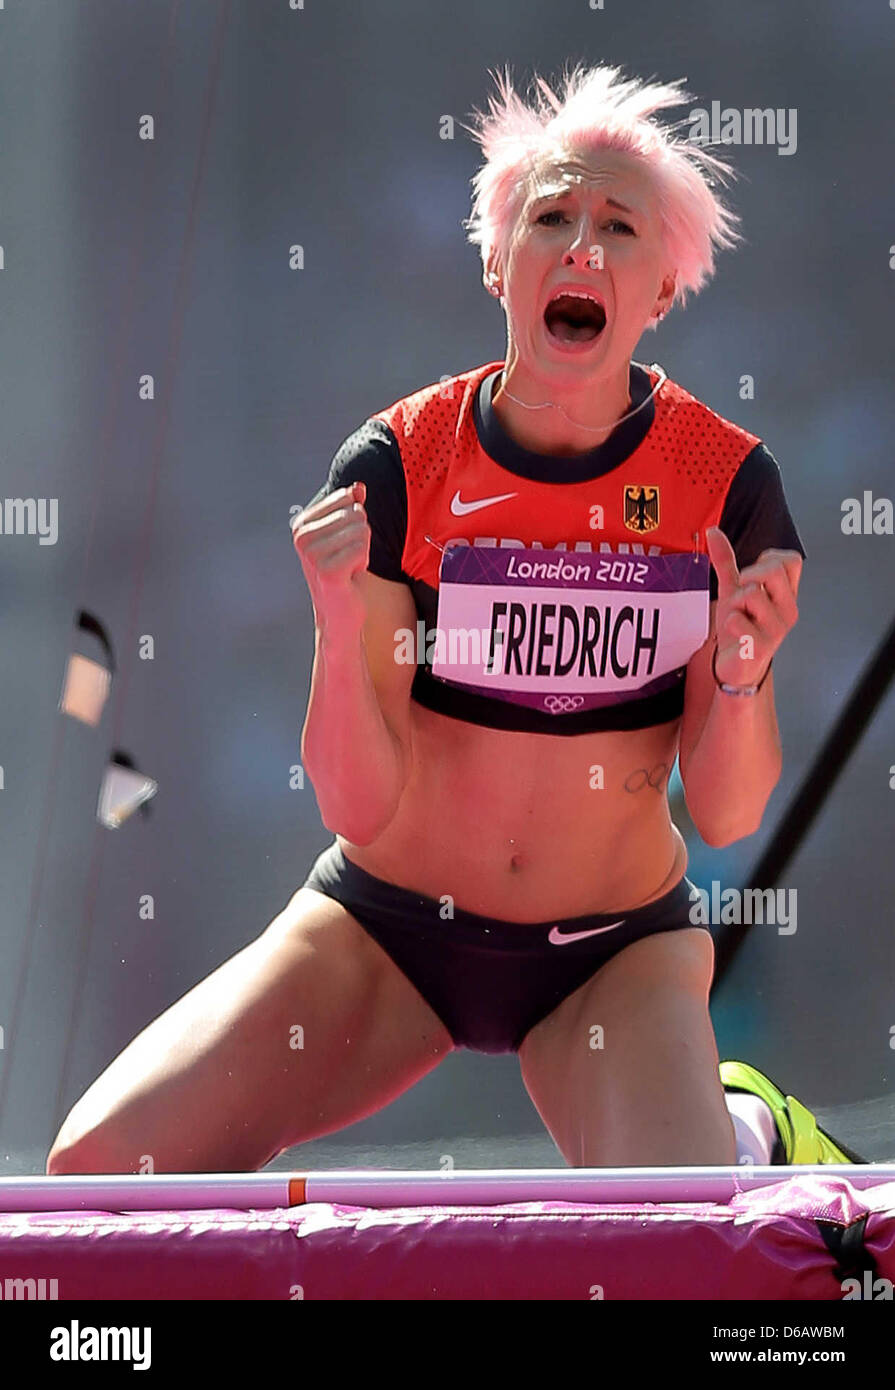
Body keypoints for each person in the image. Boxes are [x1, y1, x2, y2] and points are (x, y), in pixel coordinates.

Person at [46, 63, 859, 1176]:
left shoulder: (725, 486)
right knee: (98, 1170)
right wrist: (337, 621)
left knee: (672, 1244)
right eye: (551, 217)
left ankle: (745, 1129)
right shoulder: (400, 463)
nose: (581, 246)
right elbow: (357, 798)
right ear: (496, 261)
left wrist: (738, 673)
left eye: (617, 226)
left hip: (608, 957)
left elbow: (724, 814)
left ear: (661, 288)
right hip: (390, 932)